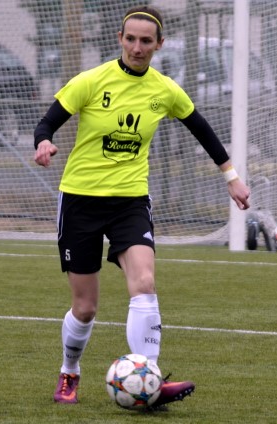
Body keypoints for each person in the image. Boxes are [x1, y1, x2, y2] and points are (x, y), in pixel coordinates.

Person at [33, 5, 251, 408]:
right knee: (85, 308)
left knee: (145, 283)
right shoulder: (91, 80)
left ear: (159, 44)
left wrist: (231, 176)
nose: (137, 47)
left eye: (146, 41)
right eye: (130, 39)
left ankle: (149, 378)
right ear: (120, 39)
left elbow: (202, 130)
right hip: (80, 200)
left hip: (130, 201)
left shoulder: (165, 90)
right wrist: (43, 142)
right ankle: (69, 371)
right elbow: (46, 123)